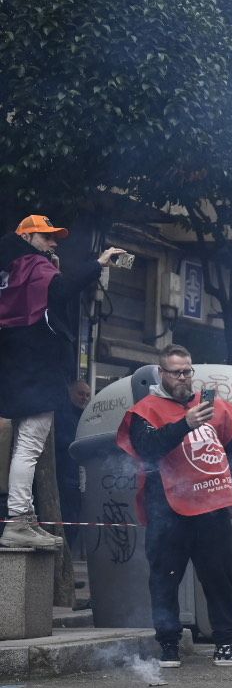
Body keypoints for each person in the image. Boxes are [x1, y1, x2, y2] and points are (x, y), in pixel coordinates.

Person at [114, 345, 232, 667]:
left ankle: (226, 644)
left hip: (212, 507)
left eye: (187, 371)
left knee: (219, 579)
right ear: (162, 374)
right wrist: (185, 423)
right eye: (175, 372)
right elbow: (148, 449)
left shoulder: (215, 407)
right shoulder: (145, 411)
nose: (183, 378)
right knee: (165, 579)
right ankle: (169, 646)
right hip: (167, 510)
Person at [0, 218, 120, 549]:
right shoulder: (34, 265)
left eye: (55, 239)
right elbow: (62, 290)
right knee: (30, 445)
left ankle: (23, 518)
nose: (54, 244)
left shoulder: (9, 268)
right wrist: (98, 263)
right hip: (37, 368)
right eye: (46, 237)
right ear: (26, 236)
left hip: (13, 366)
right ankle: (19, 519)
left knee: (24, 446)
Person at [54, 379, 91, 550]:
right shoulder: (63, 416)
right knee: (69, 521)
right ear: (70, 393)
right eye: (81, 393)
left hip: (75, 479)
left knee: (73, 521)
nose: (84, 398)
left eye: (87, 395)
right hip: (65, 477)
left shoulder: (84, 417)